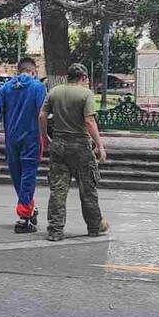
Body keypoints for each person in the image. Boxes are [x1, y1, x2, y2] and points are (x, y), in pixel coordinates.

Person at [39, 63, 108, 242]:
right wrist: (100, 146)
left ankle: (55, 229)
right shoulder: (86, 94)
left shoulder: (54, 92)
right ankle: (94, 225)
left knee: (58, 190)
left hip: (59, 145)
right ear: (84, 78)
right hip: (80, 146)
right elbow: (90, 122)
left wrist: (45, 136)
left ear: (68, 77)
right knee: (87, 188)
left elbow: (41, 115)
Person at [0, 57, 47, 233]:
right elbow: (42, 113)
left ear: (18, 70)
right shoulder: (38, 87)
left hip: (11, 138)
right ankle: (24, 214)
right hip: (31, 137)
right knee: (28, 175)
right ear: (34, 71)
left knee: (17, 175)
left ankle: (28, 206)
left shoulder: (6, 88)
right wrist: (47, 135)